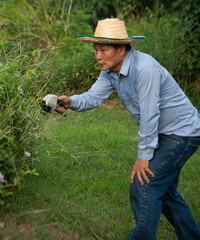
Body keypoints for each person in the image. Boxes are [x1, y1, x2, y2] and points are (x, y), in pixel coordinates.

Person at [56, 18, 200, 239]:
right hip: (166, 133)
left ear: (121, 49)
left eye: (103, 50)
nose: (97, 56)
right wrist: (70, 101)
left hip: (182, 133)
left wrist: (144, 156)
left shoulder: (145, 69)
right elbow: (93, 97)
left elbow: (151, 115)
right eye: (96, 50)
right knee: (166, 193)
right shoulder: (110, 71)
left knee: (144, 183)